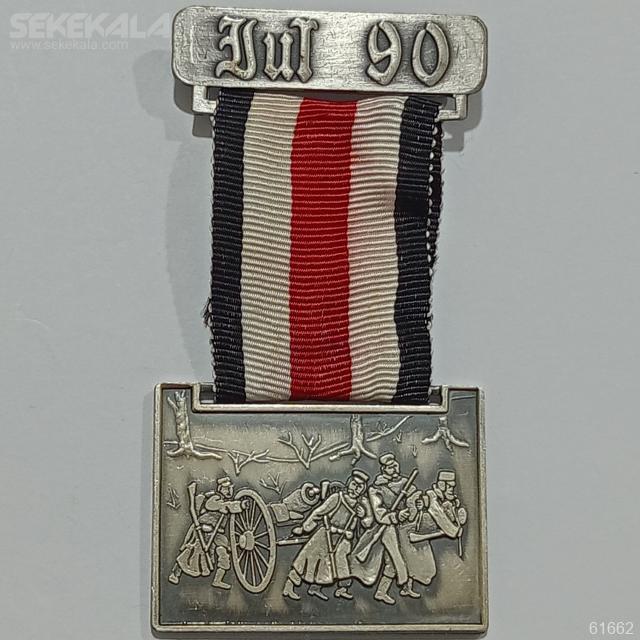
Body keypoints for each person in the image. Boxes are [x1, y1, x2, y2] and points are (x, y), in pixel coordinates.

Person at [282, 469, 373, 601]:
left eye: (359, 487)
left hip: (343, 539)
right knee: (310, 559)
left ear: (363, 489)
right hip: (326, 534)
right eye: (354, 484)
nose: (355, 489)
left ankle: (338, 589)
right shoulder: (337, 498)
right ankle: (289, 586)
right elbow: (319, 512)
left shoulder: (362, 504)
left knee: (341, 564)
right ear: (349, 483)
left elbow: (368, 523)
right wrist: (305, 528)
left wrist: (364, 515)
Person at [351, 453, 424, 604]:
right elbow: (379, 513)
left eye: (395, 465)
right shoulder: (376, 489)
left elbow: (415, 499)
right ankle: (401, 585)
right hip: (386, 528)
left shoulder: (405, 483)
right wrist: (396, 516)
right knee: (396, 557)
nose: (395, 469)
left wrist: (417, 504)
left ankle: (387, 591)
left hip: (404, 528)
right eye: (390, 467)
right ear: (384, 469)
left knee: (402, 558)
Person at [168, 476, 243, 589]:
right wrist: (228, 506)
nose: (228, 491)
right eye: (225, 488)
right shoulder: (215, 498)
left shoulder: (227, 502)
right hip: (204, 531)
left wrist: (237, 505)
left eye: (229, 488)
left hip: (217, 534)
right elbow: (211, 505)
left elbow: (230, 507)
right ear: (220, 488)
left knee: (223, 554)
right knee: (191, 552)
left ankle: (218, 580)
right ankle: (175, 573)